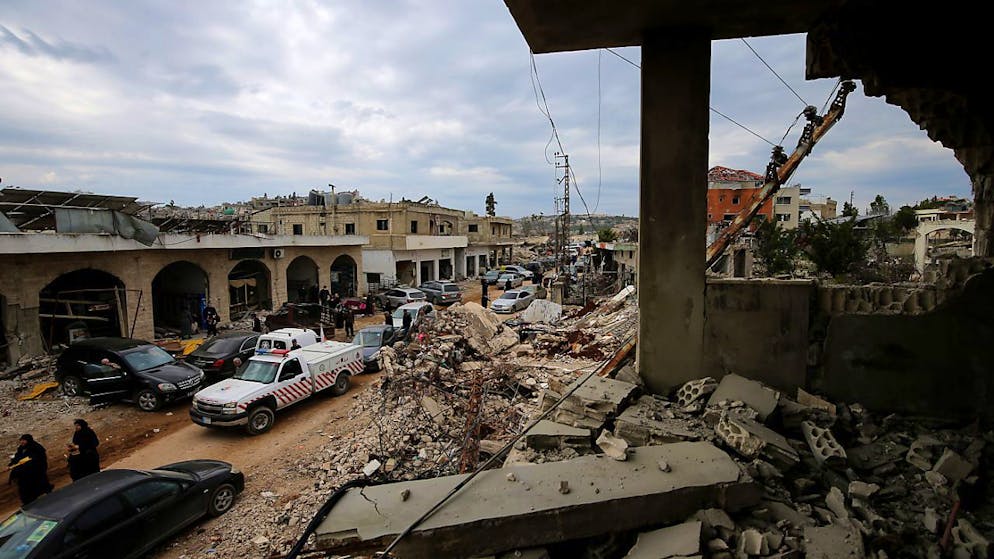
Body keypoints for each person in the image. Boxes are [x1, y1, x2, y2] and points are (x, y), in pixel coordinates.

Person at [8, 435, 53, 505]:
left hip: (35, 471)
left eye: (24, 440)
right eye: (21, 440)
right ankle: (27, 501)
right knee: (24, 488)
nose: (22, 442)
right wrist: (12, 463)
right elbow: (17, 457)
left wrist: (28, 464)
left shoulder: (36, 447)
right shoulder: (21, 448)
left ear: (28, 440)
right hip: (24, 472)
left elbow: (39, 459)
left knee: (36, 486)